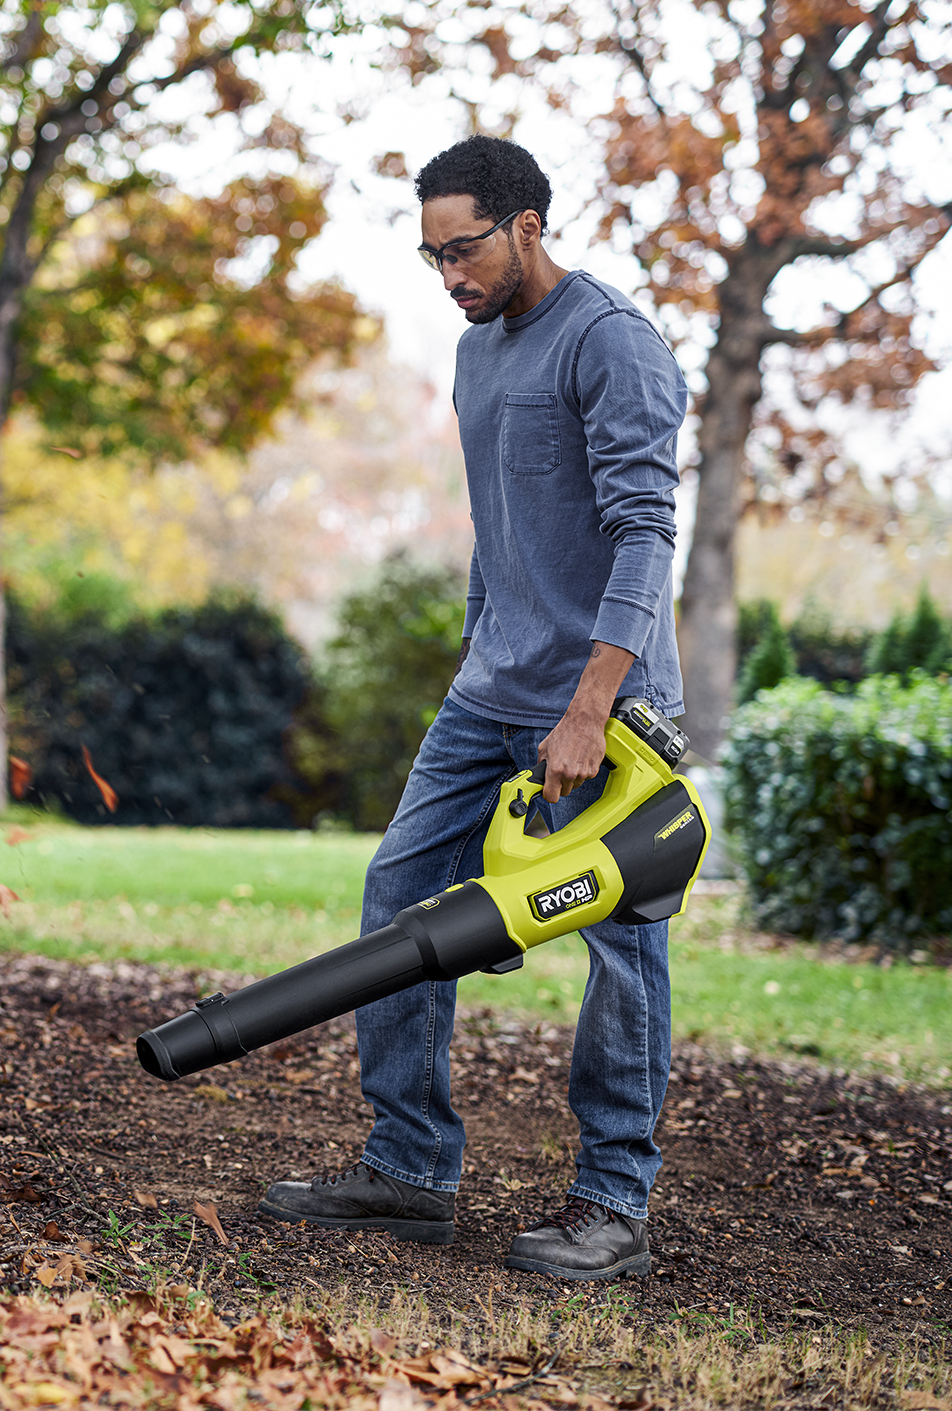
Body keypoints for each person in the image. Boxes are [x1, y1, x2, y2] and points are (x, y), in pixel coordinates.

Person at [259, 135, 686, 1281]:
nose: (450, 276)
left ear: (528, 226)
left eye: (465, 250)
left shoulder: (612, 345)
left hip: (607, 708)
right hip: (489, 691)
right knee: (399, 892)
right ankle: (408, 1171)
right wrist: (475, 653)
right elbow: (500, 529)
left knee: (621, 945)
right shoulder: (475, 353)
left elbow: (646, 535)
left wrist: (593, 706)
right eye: (432, 257)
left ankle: (612, 1205)